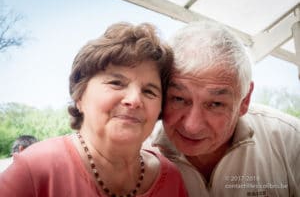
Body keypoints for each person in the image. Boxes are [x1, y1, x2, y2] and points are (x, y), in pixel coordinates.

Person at [0, 22, 187, 197]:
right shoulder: (34, 169)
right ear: (79, 96)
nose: (134, 100)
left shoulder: (171, 178)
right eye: (116, 83)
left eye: (149, 91)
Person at [152, 21, 300, 197]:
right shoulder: (133, 151)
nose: (192, 126)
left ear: (245, 100)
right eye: (178, 98)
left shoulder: (290, 141)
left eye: (215, 104)